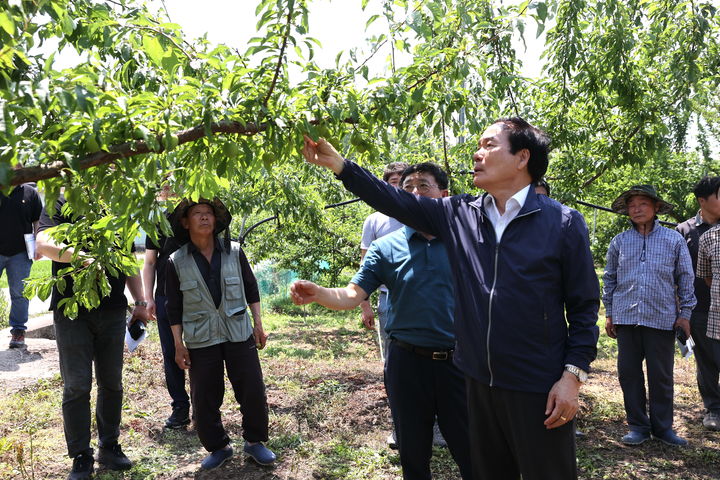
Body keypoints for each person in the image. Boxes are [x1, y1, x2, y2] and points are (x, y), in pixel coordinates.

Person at [301, 116, 599, 480]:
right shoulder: (459, 214)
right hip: (475, 380)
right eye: (478, 145)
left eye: (489, 145)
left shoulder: (563, 223)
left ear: (522, 158)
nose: (477, 153)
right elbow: (392, 199)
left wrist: (572, 377)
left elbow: (584, 307)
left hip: (536, 383)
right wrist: (341, 166)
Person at [291, 162, 472, 480]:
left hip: (458, 362)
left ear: (445, 195)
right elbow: (351, 294)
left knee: (471, 450)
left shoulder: (466, 241)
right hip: (406, 362)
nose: (414, 192)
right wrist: (319, 293)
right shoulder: (386, 247)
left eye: (423, 186)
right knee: (413, 451)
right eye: (407, 188)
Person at [36, 194, 146, 480]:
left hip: (112, 310)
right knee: (76, 385)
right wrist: (82, 258)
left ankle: (109, 446)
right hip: (72, 311)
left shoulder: (118, 203)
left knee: (112, 382)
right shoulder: (61, 202)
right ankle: (81, 455)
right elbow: (44, 243)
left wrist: (140, 301)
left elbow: (127, 259)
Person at [165, 197, 275, 470]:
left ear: (216, 221)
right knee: (204, 396)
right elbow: (173, 307)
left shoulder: (235, 252)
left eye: (208, 213)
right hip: (200, 336)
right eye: (197, 213)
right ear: (185, 222)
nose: (204, 217)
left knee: (251, 388)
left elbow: (252, 288)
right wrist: (178, 344)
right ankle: (218, 447)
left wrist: (258, 324)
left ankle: (255, 442)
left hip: (238, 331)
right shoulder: (176, 261)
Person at [603, 185, 696, 447]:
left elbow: (685, 279)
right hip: (627, 318)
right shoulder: (619, 241)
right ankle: (638, 426)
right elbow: (609, 279)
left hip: (662, 317)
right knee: (629, 374)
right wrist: (609, 313)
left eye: (643, 203)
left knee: (661, 376)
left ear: (656, 208)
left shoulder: (673, 240)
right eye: (632, 204)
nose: (637, 208)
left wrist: (685, 314)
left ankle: (663, 428)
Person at [141, 192, 188, 429]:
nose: (169, 190)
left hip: (197, 296)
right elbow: (150, 262)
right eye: (165, 185)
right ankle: (180, 406)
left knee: (203, 350)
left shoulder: (195, 212)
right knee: (171, 352)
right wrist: (148, 298)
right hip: (165, 296)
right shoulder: (156, 219)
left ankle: (206, 405)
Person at [677, 176, 720, 431]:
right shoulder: (685, 231)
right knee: (706, 359)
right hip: (700, 308)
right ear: (702, 200)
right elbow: (676, 274)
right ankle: (713, 408)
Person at [359, 161, 408, 362]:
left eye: (403, 181)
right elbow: (365, 263)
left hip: (419, 293)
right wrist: (365, 305)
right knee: (391, 351)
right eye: (394, 181)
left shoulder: (421, 214)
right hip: (387, 296)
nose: (398, 186)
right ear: (386, 185)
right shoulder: (374, 220)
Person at [0, 182, 43, 348]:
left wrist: (39, 244)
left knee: (20, 293)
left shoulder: (30, 192)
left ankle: (18, 331)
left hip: (21, 252)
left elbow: (37, 220)